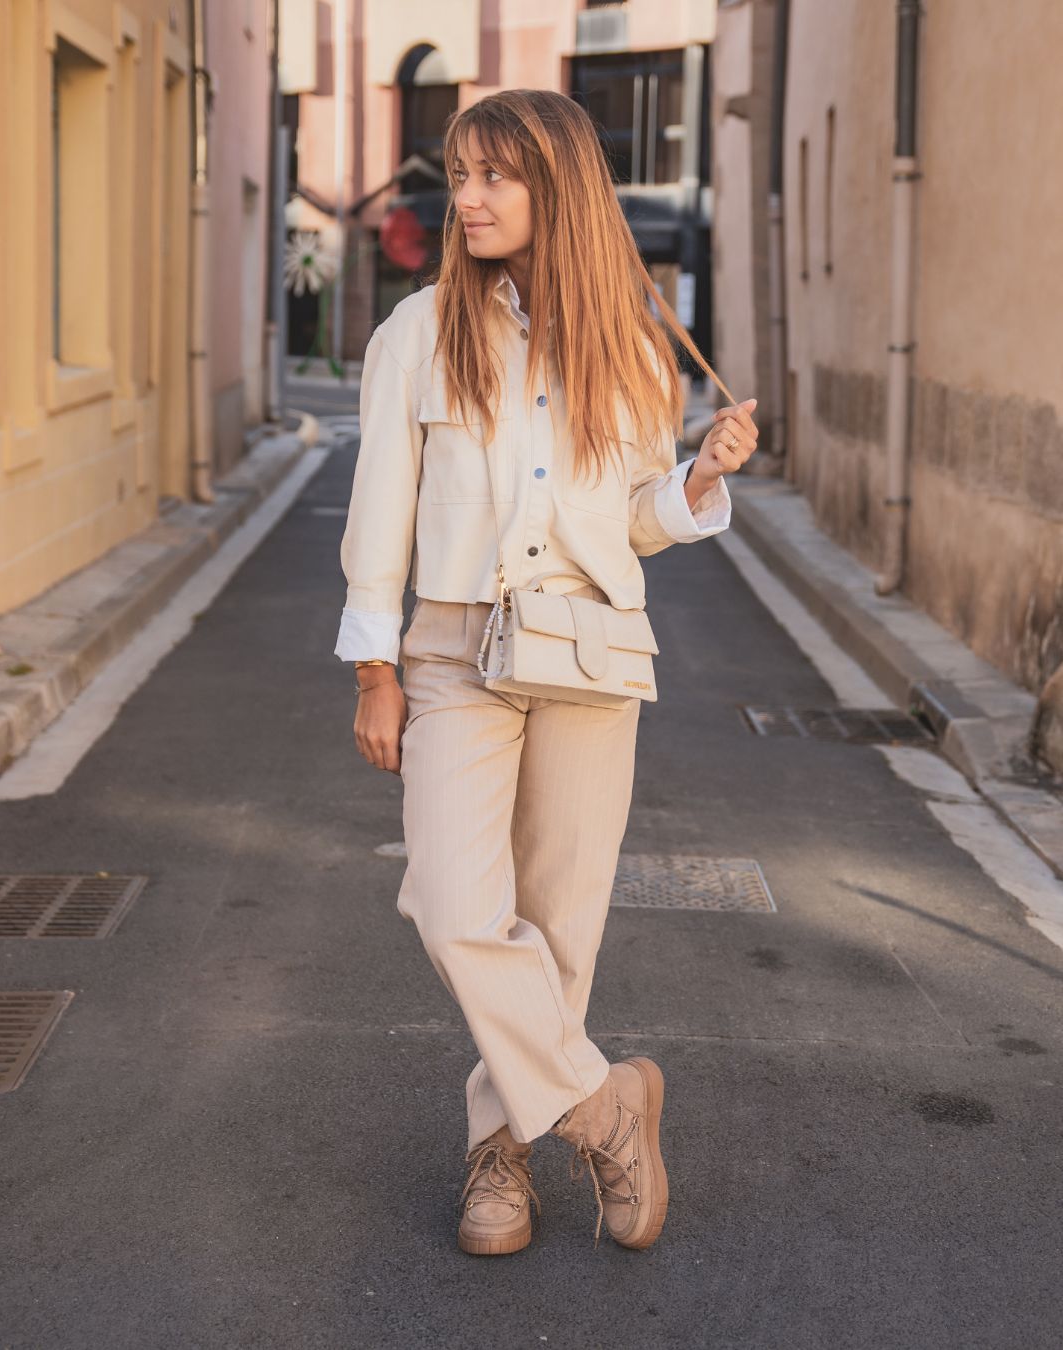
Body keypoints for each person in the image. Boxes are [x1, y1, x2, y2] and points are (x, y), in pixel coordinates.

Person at [335, 88, 758, 1255]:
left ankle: (501, 1159)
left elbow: (631, 520)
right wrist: (375, 668)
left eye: (494, 178)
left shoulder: (629, 338)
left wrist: (701, 480)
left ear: (555, 187)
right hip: (452, 653)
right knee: (455, 902)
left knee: (561, 924)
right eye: (460, 174)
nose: (466, 198)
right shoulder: (416, 333)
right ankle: (604, 1107)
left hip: (589, 644)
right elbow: (381, 513)